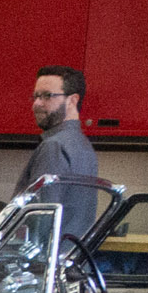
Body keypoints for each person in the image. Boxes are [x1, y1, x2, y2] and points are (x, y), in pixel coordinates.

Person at [22, 66, 100, 243]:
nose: (37, 104)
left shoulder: (54, 146)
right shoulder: (84, 145)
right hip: (69, 259)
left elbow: (40, 218)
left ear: (72, 100)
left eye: (47, 96)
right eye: (36, 96)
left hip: (43, 265)